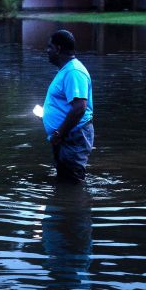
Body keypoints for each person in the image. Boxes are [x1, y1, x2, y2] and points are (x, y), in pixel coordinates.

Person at [42, 29, 94, 183]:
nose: (47, 51)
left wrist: (59, 133)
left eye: (49, 47)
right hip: (65, 135)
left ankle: (75, 205)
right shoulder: (65, 71)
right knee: (64, 179)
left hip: (73, 135)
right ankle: (67, 203)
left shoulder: (74, 72)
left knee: (73, 181)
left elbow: (80, 107)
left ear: (58, 49)